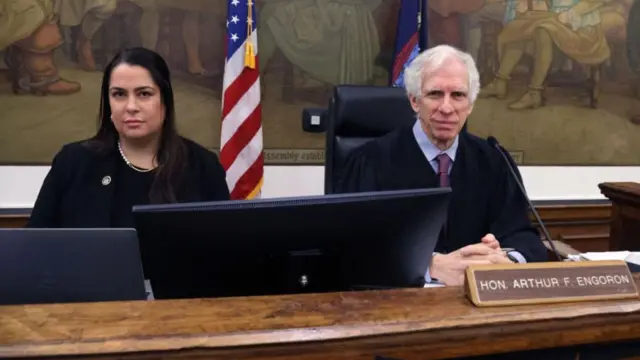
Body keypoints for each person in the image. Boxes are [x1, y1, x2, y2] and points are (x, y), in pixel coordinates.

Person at [338, 44, 548, 286]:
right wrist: (429, 265)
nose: (447, 108)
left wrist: (506, 261)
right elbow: (351, 251)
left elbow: (523, 236)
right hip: (399, 306)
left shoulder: (494, 161)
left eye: (458, 95)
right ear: (414, 101)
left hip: (477, 304)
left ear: (469, 105)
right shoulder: (369, 162)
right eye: (435, 94)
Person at [27, 47, 230, 228]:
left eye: (144, 94)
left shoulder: (203, 166)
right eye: (119, 94)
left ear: (165, 101)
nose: (131, 107)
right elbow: (36, 249)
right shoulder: (73, 162)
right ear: (108, 103)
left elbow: (222, 254)